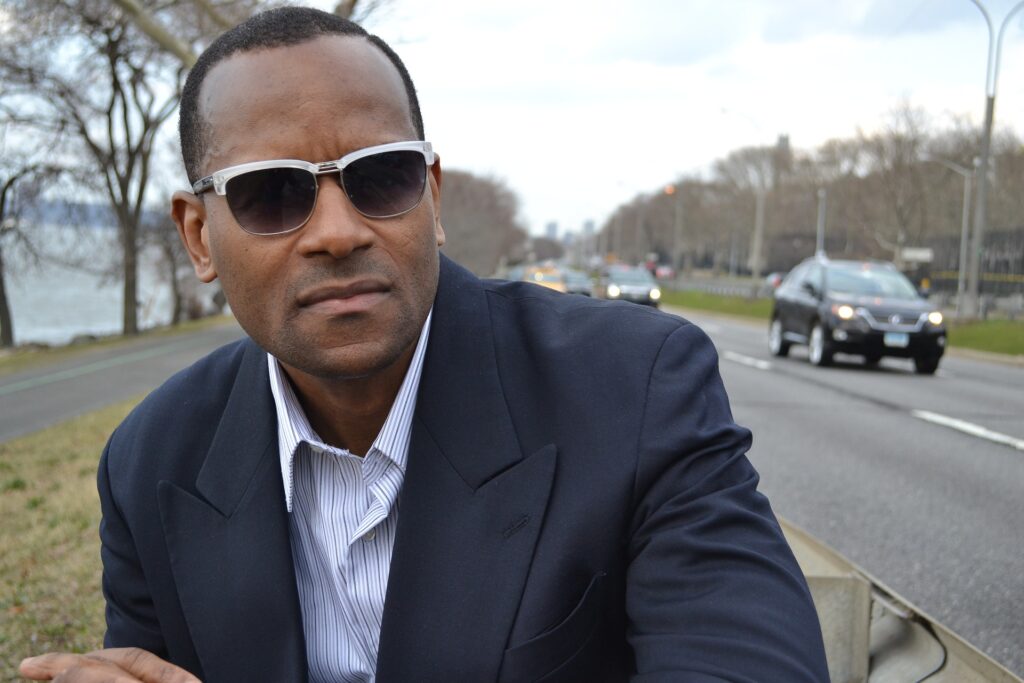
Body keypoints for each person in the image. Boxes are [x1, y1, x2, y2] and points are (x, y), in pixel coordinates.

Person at [20, 7, 829, 682]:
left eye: (381, 178)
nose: (338, 232)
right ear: (199, 237)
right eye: (272, 194)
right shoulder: (150, 461)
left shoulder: (638, 391)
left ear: (431, 198)